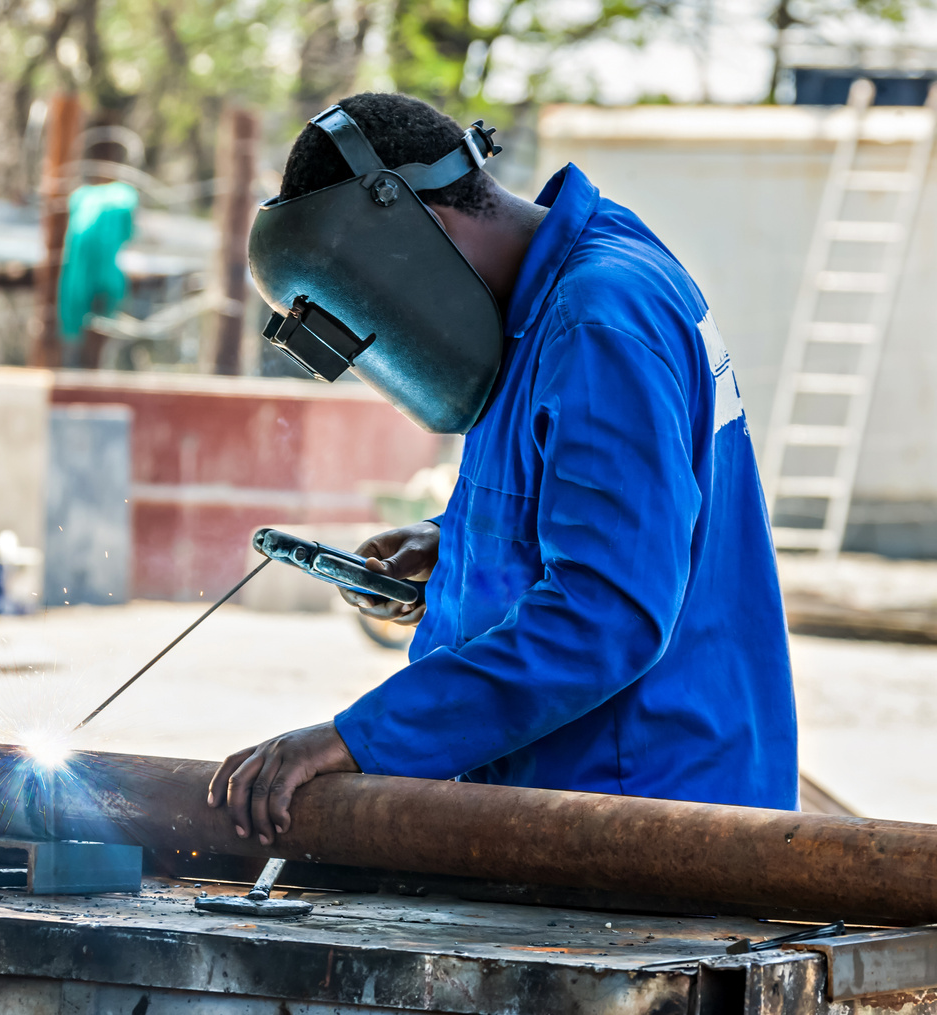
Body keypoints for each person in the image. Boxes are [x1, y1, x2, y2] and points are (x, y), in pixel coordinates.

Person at [208, 91, 798, 847]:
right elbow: (597, 503)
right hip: (572, 793)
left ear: (423, 236)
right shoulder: (544, 300)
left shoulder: (596, 320)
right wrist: (451, 544)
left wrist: (356, 738)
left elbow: (604, 614)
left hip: (641, 819)